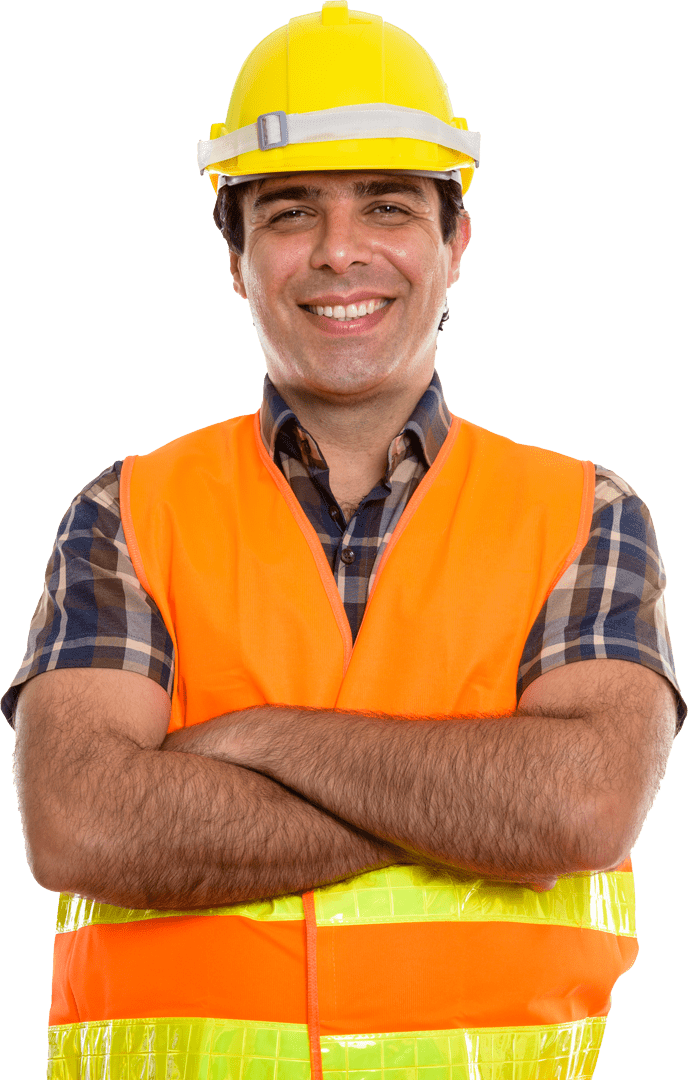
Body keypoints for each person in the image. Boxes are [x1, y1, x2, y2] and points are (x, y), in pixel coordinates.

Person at [5, 3, 685, 1077]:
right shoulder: (126, 511)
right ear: (236, 255)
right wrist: (474, 816)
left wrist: (256, 740)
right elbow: (80, 824)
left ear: (453, 243)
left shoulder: (584, 513)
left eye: (387, 205)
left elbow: (580, 807)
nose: (340, 251)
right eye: (289, 212)